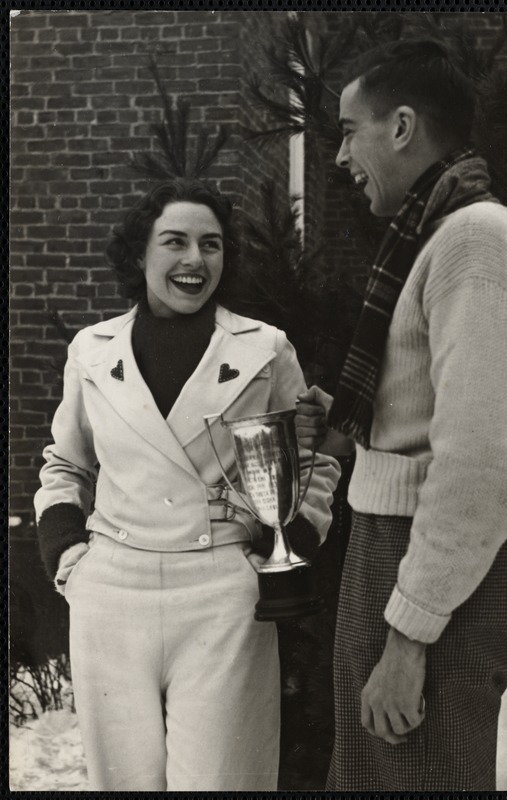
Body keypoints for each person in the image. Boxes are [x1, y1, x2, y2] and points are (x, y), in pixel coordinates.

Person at [295, 39, 507, 791]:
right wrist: (356, 422)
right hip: (406, 557)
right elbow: (435, 412)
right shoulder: (440, 235)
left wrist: (407, 641)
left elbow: (475, 464)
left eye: (347, 130)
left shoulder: (475, 241)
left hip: (435, 578)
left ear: (401, 126)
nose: (339, 156)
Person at [34, 178, 340, 792]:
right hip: (111, 596)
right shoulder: (91, 352)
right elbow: (65, 467)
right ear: (140, 255)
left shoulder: (264, 348)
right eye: (174, 241)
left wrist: (289, 542)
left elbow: (311, 460)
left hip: (224, 597)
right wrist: (70, 556)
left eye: (212, 244)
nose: (194, 260)